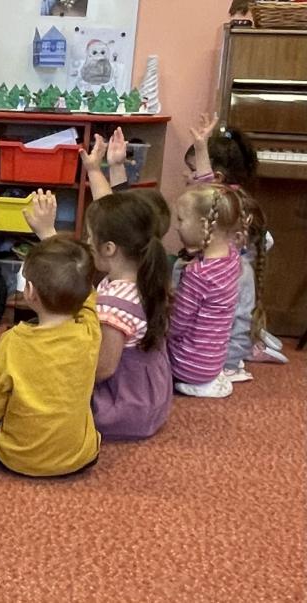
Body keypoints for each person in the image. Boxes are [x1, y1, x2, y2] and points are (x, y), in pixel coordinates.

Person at [0, 191, 101, 478]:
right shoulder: (90, 331)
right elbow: (87, 293)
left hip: (17, 459)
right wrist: (49, 232)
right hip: (80, 457)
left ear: (29, 292)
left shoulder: (14, 341)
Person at [186, 114, 286, 368]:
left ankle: (245, 347)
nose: (188, 177)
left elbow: (206, 188)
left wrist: (201, 147)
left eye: (192, 170)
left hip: (220, 351)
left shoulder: (224, 207)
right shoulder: (236, 200)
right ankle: (253, 338)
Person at [84, 194, 173, 439]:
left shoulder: (115, 305)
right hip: (148, 396)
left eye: (90, 236)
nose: (87, 242)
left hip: (122, 404)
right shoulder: (144, 279)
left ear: (109, 248)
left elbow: (103, 369)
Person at [169, 185, 244, 398]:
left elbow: (176, 327)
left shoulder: (198, 274)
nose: (176, 227)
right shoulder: (232, 256)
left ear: (204, 225)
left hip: (188, 366)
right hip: (213, 362)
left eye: (181, 220)